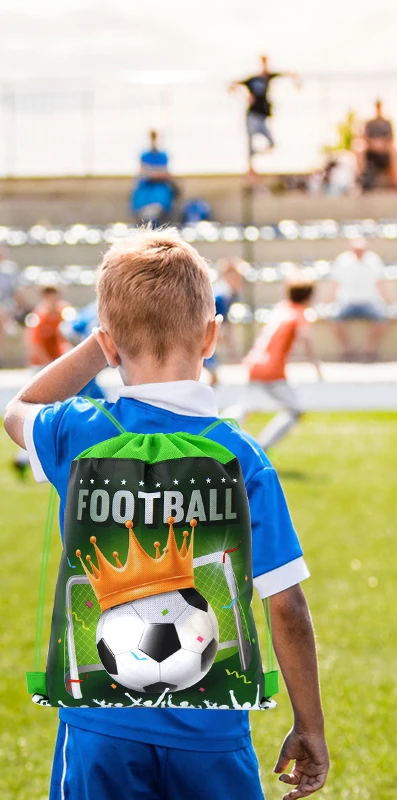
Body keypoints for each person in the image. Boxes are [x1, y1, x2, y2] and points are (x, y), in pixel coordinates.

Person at [2, 230, 329, 800]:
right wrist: (309, 725)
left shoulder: (80, 431)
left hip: (100, 724)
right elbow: (287, 605)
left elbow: (19, 410)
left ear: (107, 343)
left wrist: (102, 345)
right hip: (212, 727)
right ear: (211, 336)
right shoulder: (240, 455)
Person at [228, 271, 322, 451]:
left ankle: (216, 431)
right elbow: (306, 339)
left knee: (245, 407)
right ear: (307, 297)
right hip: (272, 369)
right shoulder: (298, 314)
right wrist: (316, 365)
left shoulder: (281, 309)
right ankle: (262, 447)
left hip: (255, 363)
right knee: (296, 409)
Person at [231, 55, 300, 176]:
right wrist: (245, 97)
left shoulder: (268, 77)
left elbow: (287, 74)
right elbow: (232, 86)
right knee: (250, 142)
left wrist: (296, 79)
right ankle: (251, 169)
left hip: (263, 117)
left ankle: (255, 155)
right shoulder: (252, 79)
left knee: (271, 144)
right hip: (252, 116)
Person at [330, 236, 390, 361]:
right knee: (333, 318)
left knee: (383, 318)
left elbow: (379, 283)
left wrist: (387, 301)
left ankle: (368, 349)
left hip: (369, 302)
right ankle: (347, 350)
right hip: (347, 302)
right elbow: (336, 284)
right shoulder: (343, 260)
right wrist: (330, 300)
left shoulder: (373, 260)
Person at [206, 258, 244, 386]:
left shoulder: (226, 294)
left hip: (204, 336)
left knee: (213, 374)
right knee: (212, 374)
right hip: (201, 336)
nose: (239, 281)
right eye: (238, 277)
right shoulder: (221, 295)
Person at [130, 130, 178, 224]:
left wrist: (154, 174)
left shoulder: (163, 156)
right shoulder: (145, 155)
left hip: (160, 189)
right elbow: (143, 172)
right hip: (146, 189)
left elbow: (165, 173)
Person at [354, 99, 397, 191]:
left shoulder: (386, 123)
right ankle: (360, 177)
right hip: (371, 149)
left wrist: (381, 144)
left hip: (384, 149)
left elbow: (390, 138)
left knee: (395, 148)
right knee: (359, 147)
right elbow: (364, 137)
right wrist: (373, 144)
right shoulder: (369, 123)